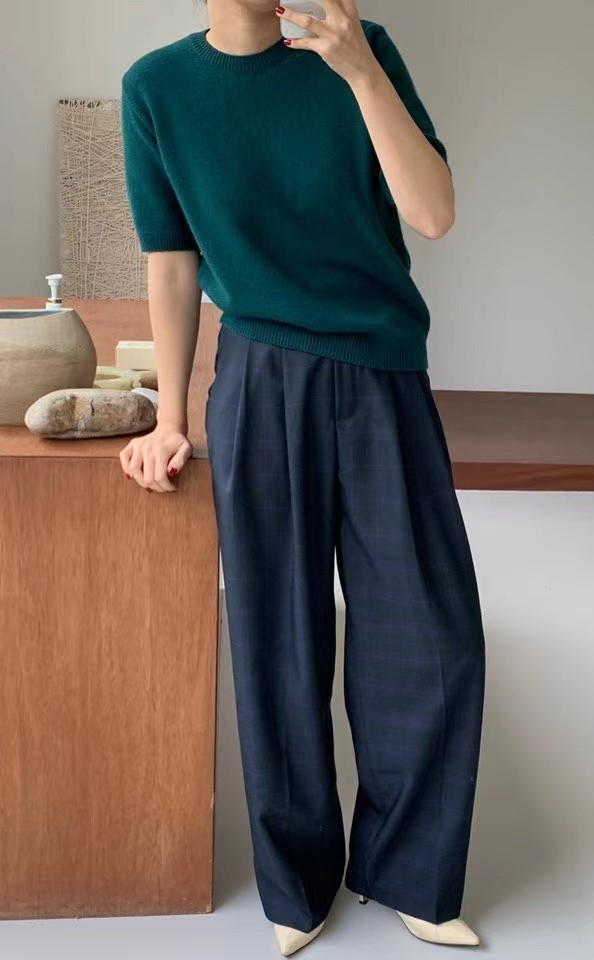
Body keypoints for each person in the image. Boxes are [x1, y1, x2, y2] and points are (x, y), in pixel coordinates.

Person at [119, 0, 485, 954]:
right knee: (277, 634)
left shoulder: (361, 53)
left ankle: (413, 871)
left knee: (429, 632)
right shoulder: (157, 87)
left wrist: (359, 70)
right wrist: (170, 417)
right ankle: (296, 883)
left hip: (382, 369)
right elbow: (171, 265)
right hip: (258, 375)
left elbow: (434, 214)